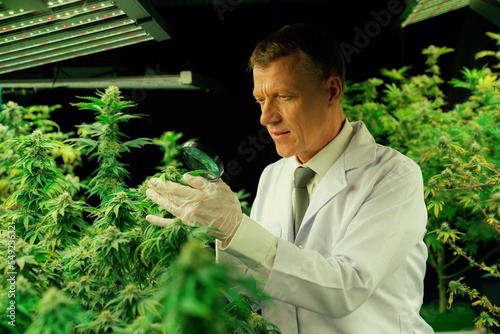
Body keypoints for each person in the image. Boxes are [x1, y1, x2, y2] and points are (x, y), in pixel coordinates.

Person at [145, 23, 433, 334]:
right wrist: (211, 243)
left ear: (332, 91)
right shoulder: (273, 176)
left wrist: (236, 228)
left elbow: (347, 288)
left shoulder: (392, 176)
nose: (266, 117)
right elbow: (251, 290)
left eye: (284, 96)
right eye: (260, 100)